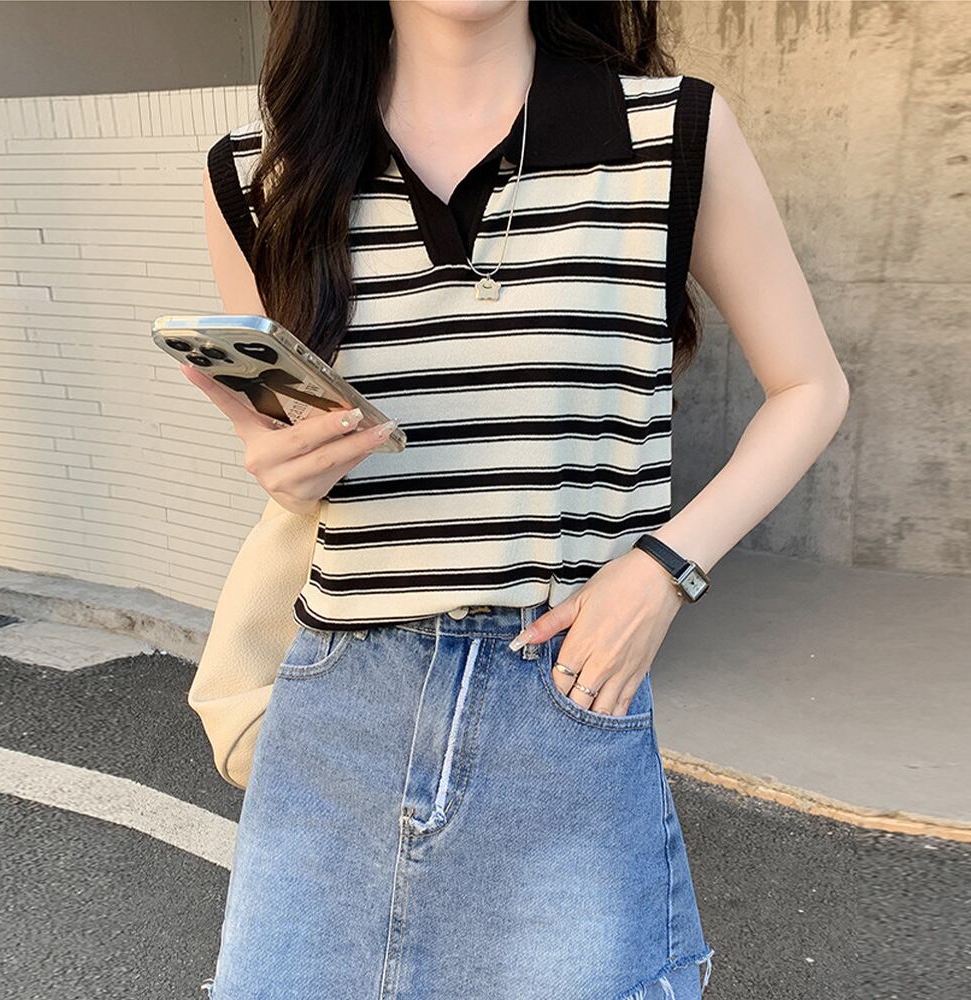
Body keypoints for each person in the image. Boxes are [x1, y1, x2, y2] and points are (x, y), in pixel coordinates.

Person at [189, 2, 850, 998]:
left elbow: (810, 387)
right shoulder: (260, 174)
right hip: (340, 705)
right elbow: (287, 440)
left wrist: (666, 569)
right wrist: (274, 459)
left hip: (562, 684)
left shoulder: (669, 132)